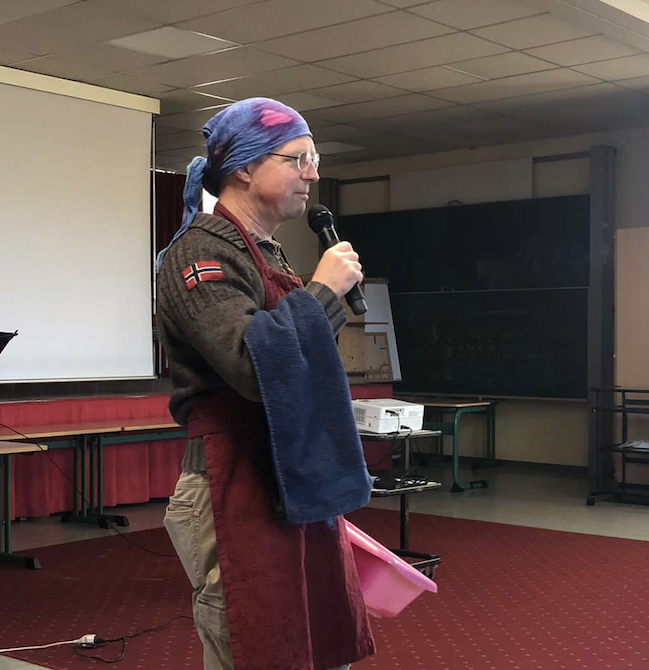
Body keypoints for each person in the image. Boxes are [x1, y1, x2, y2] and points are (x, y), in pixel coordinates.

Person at [154, 97, 376, 670]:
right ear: (245, 167)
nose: (313, 174)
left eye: (314, 158)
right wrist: (322, 293)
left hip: (291, 475)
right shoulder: (197, 253)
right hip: (233, 480)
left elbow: (295, 357)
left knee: (313, 639)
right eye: (298, 158)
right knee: (258, 642)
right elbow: (253, 367)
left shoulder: (266, 252)